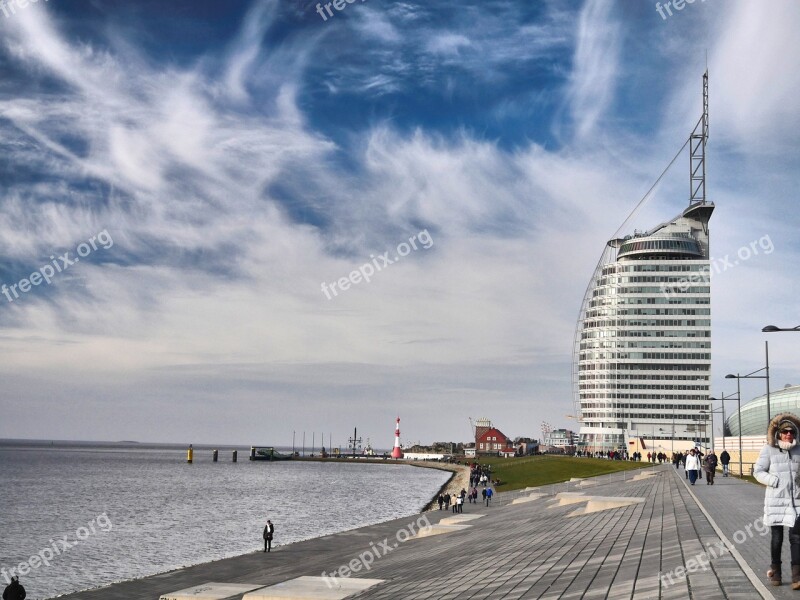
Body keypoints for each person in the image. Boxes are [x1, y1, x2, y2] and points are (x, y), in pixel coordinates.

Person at [754, 413, 800, 588]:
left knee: (797, 537)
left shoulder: (799, 450)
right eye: (785, 431)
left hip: (797, 502)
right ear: (778, 433)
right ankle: (776, 573)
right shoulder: (768, 450)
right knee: (777, 538)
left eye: (792, 432)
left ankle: (797, 576)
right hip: (775, 501)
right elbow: (757, 472)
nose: (789, 434)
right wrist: (775, 481)